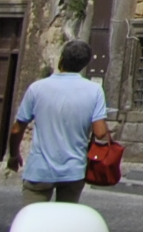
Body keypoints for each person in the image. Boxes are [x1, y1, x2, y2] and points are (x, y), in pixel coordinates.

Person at [11, 40, 112, 202]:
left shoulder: (37, 88)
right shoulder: (95, 90)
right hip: (73, 171)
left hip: (40, 170)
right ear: (84, 64)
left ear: (61, 60)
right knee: (66, 221)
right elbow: (100, 132)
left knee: (34, 220)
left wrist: (13, 155)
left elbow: (17, 129)